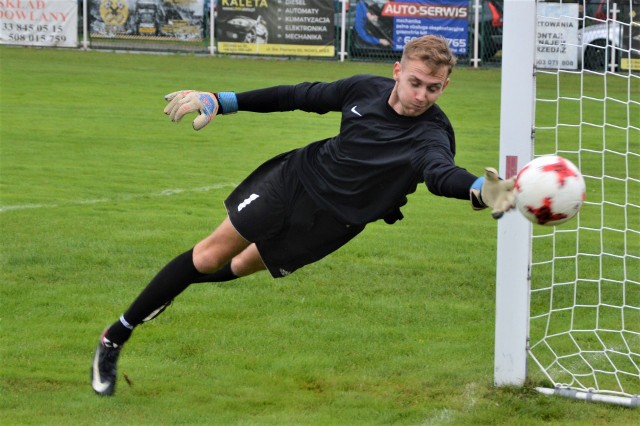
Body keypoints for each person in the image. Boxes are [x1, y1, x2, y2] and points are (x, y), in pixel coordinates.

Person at [91, 35, 515, 396]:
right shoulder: (362, 90)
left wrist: (480, 188)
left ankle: (166, 289)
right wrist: (223, 100)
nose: (421, 95)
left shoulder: (432, 134)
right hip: (293, 181)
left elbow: (441, 173)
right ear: (396, 70)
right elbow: (298, 95)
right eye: (415, 82)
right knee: (208, 257)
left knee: (238, 266)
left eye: (434, 88)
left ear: (446, 86)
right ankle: (116, 335)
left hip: (336, 221)